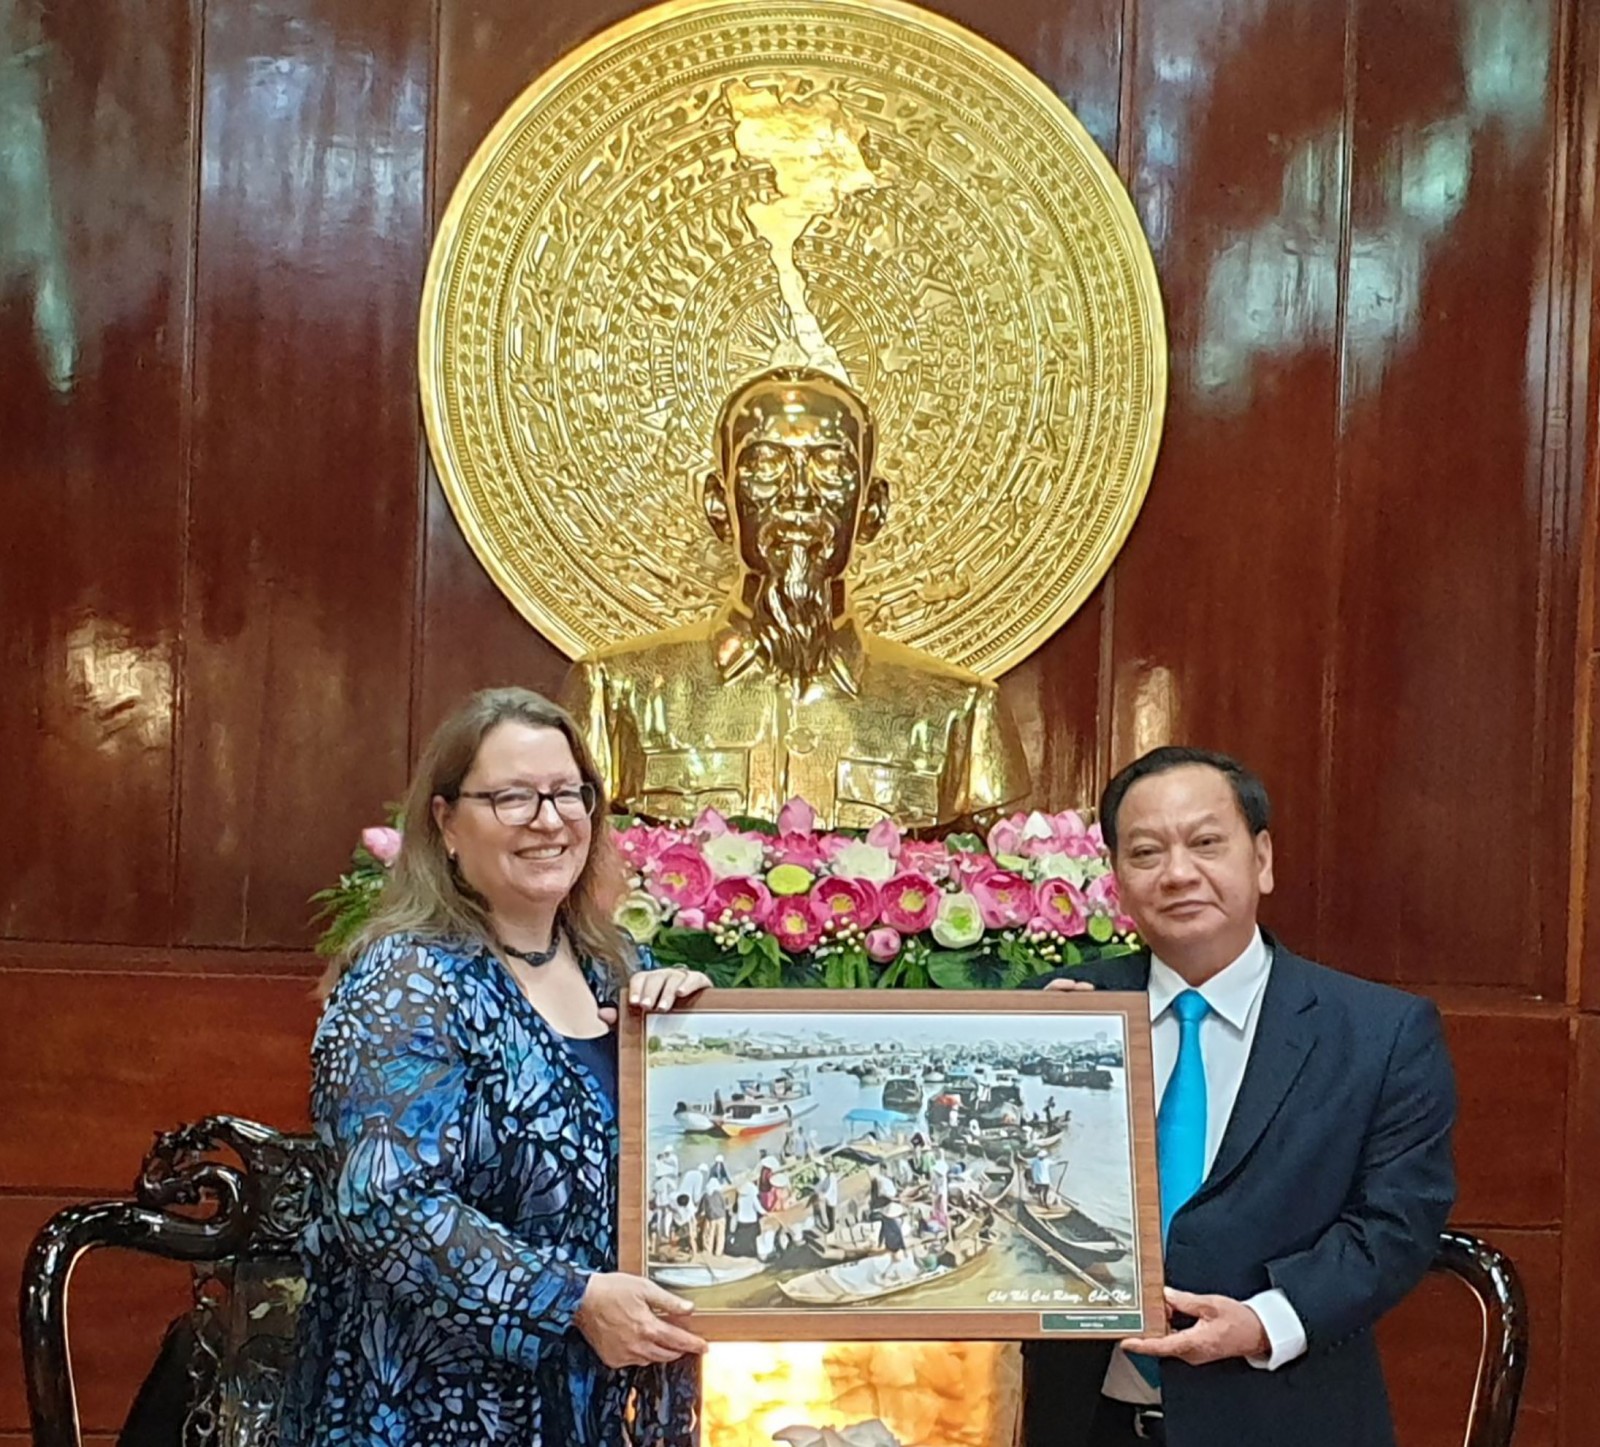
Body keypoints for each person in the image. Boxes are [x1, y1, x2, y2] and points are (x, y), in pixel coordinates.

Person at [280, 687, 713, 1447]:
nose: (549, 820)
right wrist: (570, 1301)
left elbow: (678, 1164)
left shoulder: (619, 966)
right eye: (512, 797)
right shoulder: (407, 978)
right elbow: (383, 1202)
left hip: (598, 1402)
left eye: (568, 793)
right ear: (447, 822)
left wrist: (696, 1037)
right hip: (439, 1409)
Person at [1022, 746, 1456, 1447]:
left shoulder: (1378, 1034)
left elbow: (1395, 1225)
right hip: (1083, 1421)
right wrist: (1015, 1061)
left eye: (1205, 843)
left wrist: (1264, 1322)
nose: (1178, 873)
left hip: (1285, 1420)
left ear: (1262, 859)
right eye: (1146, 852)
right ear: (1118, 880)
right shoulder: (1058, 1013)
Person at [698, 1183, 729, 1258]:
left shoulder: (706, 1195)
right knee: (720, 1235)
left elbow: (701, 1208)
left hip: (711, 1217)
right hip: (721, 1217)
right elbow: (724, 1205)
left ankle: (708, 1251)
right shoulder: (719, 1194)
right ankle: (718, 1252)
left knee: (709, 1235)